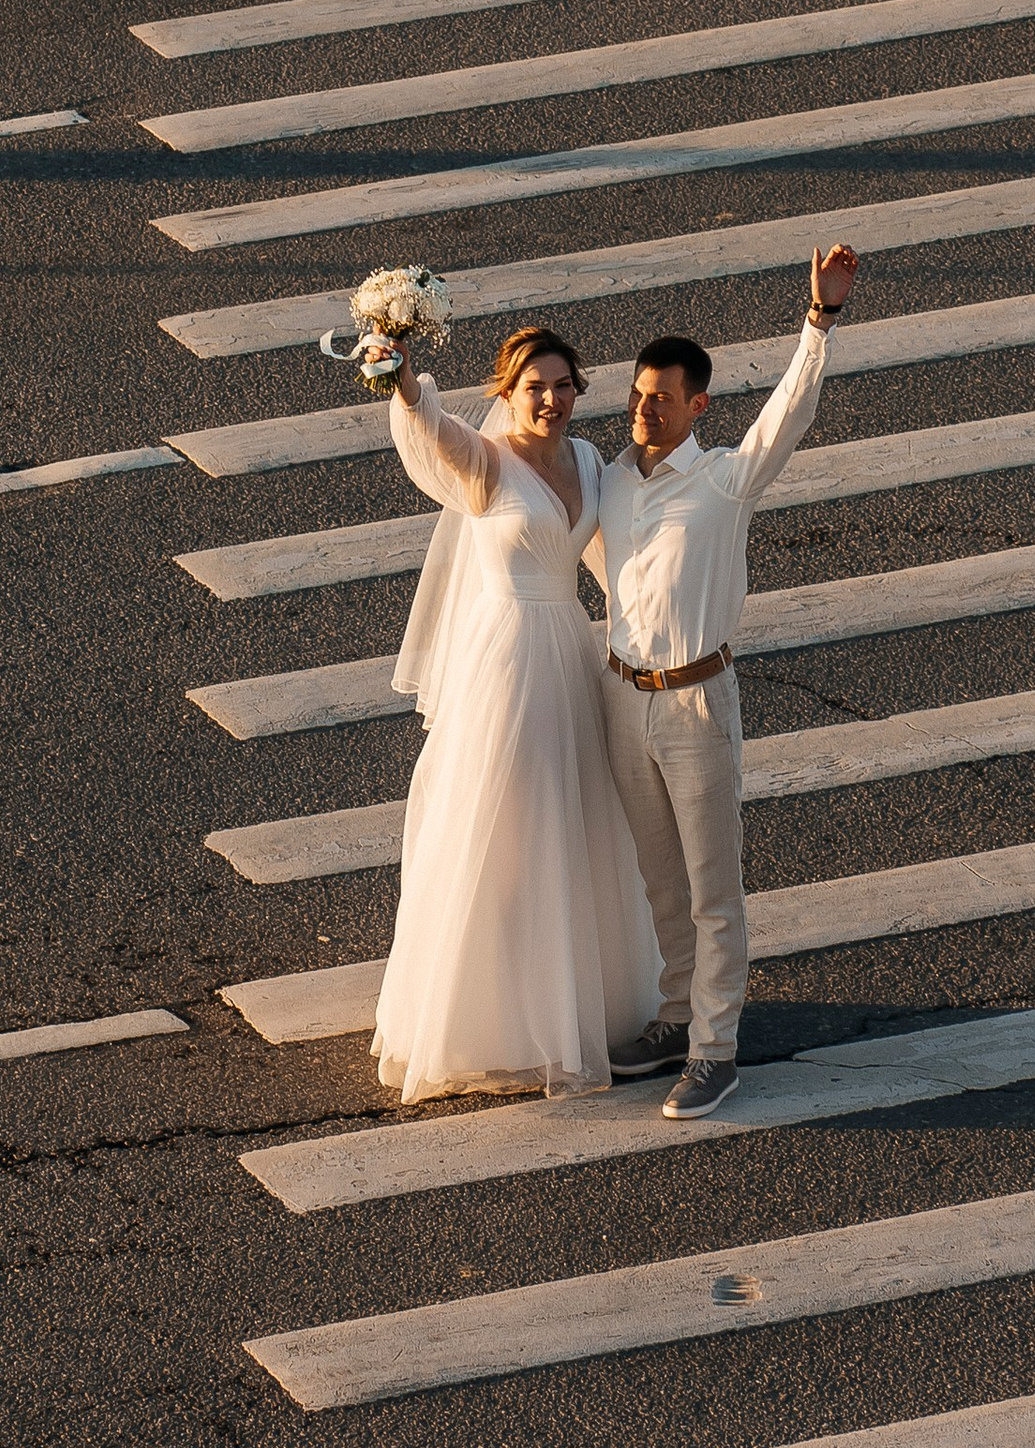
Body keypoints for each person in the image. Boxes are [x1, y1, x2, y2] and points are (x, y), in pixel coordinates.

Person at [586, 246, 859, 1120]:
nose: (642, 409)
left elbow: (790, 415)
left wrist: (818, 322)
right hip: (622, 699)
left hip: (697, 703)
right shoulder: (613, 481)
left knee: (712, 889)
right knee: (658, 880)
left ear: (696, 406)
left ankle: (715, 1051)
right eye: (635, 395)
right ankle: (673, 1019)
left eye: (660, 399)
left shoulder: (725, 480)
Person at [364, 322, 661, 1106]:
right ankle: (489, 1010)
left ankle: (567, 1004)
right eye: (537, 388)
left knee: (577, 822)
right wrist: (397, 375)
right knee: (502, 828)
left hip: (567, 648)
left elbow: (612, 552)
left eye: (564, 386)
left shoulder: (592, 460)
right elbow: (428, 428)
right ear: (508, 393)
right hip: (506, 664)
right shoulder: (486, 463)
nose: (553, 400)